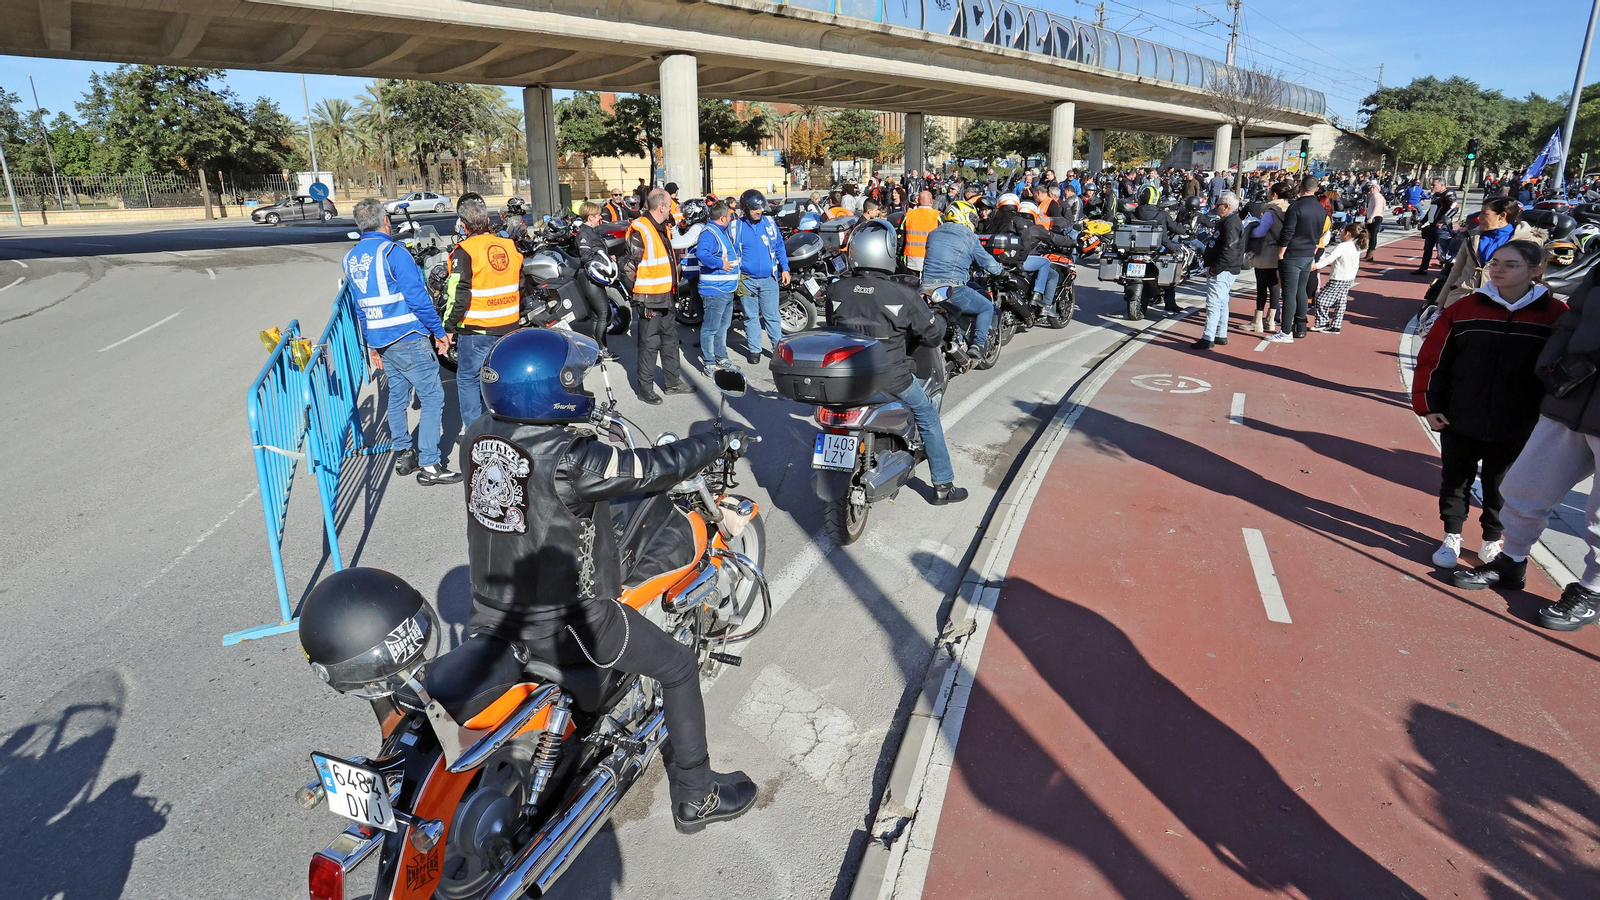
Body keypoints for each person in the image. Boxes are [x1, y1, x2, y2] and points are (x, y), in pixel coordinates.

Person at [461, 328, 758, 833]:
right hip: (571, 623)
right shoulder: (573, 460)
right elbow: (652, 468)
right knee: (680, 667)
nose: (582, 388)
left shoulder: (478, 436)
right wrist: (715, 440)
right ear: (552, 389)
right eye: (574, 380)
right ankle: (697, 794)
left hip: (490, 613)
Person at [1412, 241, 1567, 581]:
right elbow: (1434, 359)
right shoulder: (1465, 308)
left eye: (1510, 265)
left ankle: (1492, 540)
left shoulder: (1556, 315)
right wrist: (1429, 405)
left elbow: (1561, 370)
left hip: (1519, 423)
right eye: (1495, 262)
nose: (1498, 270)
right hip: (1459, 416)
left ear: (1536, 270)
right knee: (1455, 481)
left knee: (1503, 486)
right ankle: (1451, 537)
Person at [827, 221, 969, 505]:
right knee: (927, 414)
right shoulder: (902, 294)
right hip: (891, 377)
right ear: (888, 251)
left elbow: (834, 326)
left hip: (844, 374)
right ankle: (943, 485)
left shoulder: (836, 290)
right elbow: (931, 337)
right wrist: (940, 319)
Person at [344, 197, 460, 486]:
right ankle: (430, 465)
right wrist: (438, 331)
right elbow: (418, 298)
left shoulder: (352, 258)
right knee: (432, 397)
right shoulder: (392, 252)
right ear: (386, 221)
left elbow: (360, 307)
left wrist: (372, 344)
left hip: (382, 339)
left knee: (398, 396)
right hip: (408, 336)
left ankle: (403, 453)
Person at [444, 196, 524, 433]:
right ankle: (509, 426)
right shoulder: (509, 246)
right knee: (502, 377)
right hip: (509, 326)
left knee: (468, 379)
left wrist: (448, 327)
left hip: (477, 330)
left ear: (463, 225)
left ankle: (475, 433)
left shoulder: (464, 251)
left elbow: (458, 295)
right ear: (488, 221)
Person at [623, 189, 693, 404]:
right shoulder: (641, 228)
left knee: (670, 340)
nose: (673, 208)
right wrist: (638, 296)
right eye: (670, 204)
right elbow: (628, 268)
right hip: (649, 297)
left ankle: (673, 383)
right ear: (661, 207)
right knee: (649, 343)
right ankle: (645, 389)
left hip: (666, 294)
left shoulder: (663, 227)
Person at [922, 201, 1002, 352]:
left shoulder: (934, 233)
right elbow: (987, 262)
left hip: (927, 288)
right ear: (963, 216)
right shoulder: (968, 236)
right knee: (986, 308)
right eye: (971, 217)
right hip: (952, 287)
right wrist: (1001, 271)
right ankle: (978, 346)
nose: (973, 221)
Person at [1440, 197, 1545, 309]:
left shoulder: (1527, 241)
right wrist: (1441, 301)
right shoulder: (1472, 236)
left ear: (1502, 216)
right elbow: (1456, 271)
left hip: (1502, 304)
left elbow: (1534, 277)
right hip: (1462, 299)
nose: (1479, 217)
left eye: (1485, 213)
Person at [731, 188, 790, 365]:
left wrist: (785, 268)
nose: (759, 211)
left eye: (760, 208)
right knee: (750, 317)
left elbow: (780, 246)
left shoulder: (770, 223)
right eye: (754, 209)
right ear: (745, 209)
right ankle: (755, 350)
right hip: (747, 280)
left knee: (772, 315)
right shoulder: (736, 227)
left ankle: (777, 349)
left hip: (768, 279)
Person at [1275, 175, 1330, 342]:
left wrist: (1281, 251)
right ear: (1316, 189)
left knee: (1289, 293)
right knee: (1301, 291)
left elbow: (1288, 231)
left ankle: (1285, 332)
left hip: (1293, 252)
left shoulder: (1296, 207)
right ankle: (1300, 327)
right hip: (1309, 252)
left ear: (1300, 187)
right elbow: (1320, 231)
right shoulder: (1321, 209)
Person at [693, 200, 741, 375]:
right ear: (722, 218)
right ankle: (709, 364)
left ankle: (721, 357)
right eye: (729, 216)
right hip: (715, 291)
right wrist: (720, 263)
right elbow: (702, 254)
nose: (731, 219)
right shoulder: (710, 233)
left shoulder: (720, 231)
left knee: (722, 327)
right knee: (711, 328)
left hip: (725, 289)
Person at [1128, 184, 1190, 318]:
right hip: (1157, 248)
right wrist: (1186, 230)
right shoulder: (1162, 214)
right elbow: (1174, 227)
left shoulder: (1132, 212)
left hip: (1133, 249)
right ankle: (1170, 302)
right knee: (1169, 271)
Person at [1194, 191, 1244, 350]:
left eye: (1219, 205)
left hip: (1223, 269)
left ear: (1227, 207)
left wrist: (1214, 270)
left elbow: (1229, 250)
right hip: (1227, 268)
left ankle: (1208, 336)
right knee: (1222, 301)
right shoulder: (1227, 221)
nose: (1216, 207)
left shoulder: (1231, 224)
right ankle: (1221, 334)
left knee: (1214, 303)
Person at [573, 202, 618, 359]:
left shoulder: (591, 231)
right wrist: (603, 258)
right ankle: (601, 350)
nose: (600, 217)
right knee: (603, 313)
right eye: (598, 215)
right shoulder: (584, 234)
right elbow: (585, 256)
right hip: (588, 277)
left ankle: (596, 349)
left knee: (597, 315)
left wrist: (607, 258)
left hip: (595, 276)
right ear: (591, 216)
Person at [1247, 181, 1292, 334]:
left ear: (1274, 195)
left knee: (1261, 287)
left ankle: (1258, 321)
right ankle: (1271, 321)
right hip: (1281, 251)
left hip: (1266, 252)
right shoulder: (1289, 209)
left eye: (1269, 192)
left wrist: (1249, 232)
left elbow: (1260, 231)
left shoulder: (1271, 211)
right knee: (1274, 287)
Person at [1308, 223, 1366, 334]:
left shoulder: (1342, 246)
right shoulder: (1356, 246)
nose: (1340, 233)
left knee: (1321, 300)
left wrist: (1316, 266)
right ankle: (1335, 325)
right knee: (1341, 302)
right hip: (1349, 278)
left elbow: (1329, 259)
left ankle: (1322, 322)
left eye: (1342, 231)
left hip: (1338, 277)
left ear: (1347, 233)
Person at [1415, 178, 1457, 274]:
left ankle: (1447, 271)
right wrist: (1422, 221)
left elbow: (1454, 208)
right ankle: (1423, 268)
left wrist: (1442, 221)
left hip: (1442, 228)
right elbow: (1431, 210)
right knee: (1427, 248)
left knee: (1442, 250)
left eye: (1434, 185)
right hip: (1432, 227)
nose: (1432, 187)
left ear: (1442, 185)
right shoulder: (1435, 196)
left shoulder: (1448, 194)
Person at [902, 191, 942, 273]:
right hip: (931, 258)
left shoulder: (908, 214)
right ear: (931, 201)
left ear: (918, 201)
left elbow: (900, 237)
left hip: (911, 259)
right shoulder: (938, 216)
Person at [1359, 181, 1387, 262]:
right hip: (1377, 217)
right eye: (1371, 187)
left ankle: (1370, 254)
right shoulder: (1380, 197)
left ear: (1378, 189)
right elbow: (1383, 207)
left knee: (1372, 236)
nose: (1372, 189)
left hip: (1374, 218)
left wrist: (1371, 217)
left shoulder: (1376, 196)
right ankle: (1369, 254)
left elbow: (1377, 207)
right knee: (1371, 235)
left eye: (1373, 188)